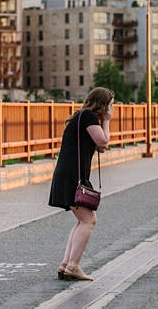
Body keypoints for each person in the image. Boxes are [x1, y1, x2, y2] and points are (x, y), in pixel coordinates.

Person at [48, 87, 114, 281]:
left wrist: (103, 123)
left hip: (70, 173)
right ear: (102, 104)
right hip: (72, 175)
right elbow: (103, 141)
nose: (112, 108)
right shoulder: (88, 117)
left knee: (82, 220)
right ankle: (73, 266)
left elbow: (99, 147)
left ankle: (66, 264)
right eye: (110, 104)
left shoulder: (83, 117)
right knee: (88, 220)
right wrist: (108, 121)